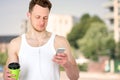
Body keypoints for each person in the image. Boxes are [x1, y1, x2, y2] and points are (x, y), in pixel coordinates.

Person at [3, 0, 79, 80]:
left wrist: (67, 65)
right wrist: (7, 76)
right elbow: (8, 74)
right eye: (38, 17)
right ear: (29, 15)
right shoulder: (16, 44)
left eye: (45, 18)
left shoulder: (60, 42)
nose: (42, 22)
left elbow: (75, 77)